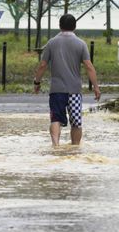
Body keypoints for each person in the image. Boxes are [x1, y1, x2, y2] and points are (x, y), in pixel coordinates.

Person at [33, 14, 101, 146]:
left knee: (55, 119)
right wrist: (96, 87)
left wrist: (37, 82)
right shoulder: (81, 44)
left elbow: (42, 65)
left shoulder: (51, 43)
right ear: (75, 27)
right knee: (76, 121)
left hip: (57, 90)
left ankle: (56, 146)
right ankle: (75, 149)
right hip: (74, 91)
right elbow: (89, 66)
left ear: (59, 26)